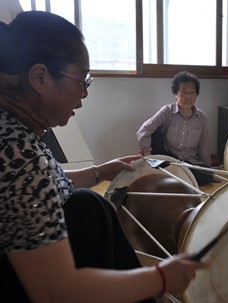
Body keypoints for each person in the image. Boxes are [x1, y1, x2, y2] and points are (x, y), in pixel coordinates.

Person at [0, 11, 206, 303]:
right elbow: (55, 292)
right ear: (40, 77)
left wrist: (99, 172)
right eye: (81, 80)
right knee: (90, 208)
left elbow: (44, 184)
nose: (83, 95)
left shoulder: (13, 130)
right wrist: (160, 278)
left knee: (87, 203)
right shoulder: (18, 154)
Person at [136, 71, 215, 186]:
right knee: (154, 131)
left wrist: (208, 172)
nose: (188, 96)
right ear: (176, 94)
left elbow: (204, 148)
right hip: (167, 158)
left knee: (205, 176)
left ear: (196, 94)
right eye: (183, 92)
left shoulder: (202, 118)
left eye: (192, 92)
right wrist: (148, 157)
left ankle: (173, 175)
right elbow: (144, 129)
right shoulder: (167, 111)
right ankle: (174, 174)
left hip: (189, 163)